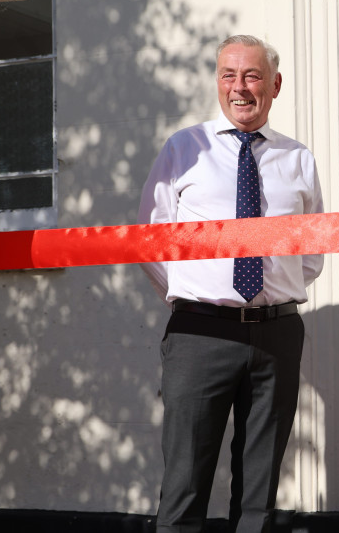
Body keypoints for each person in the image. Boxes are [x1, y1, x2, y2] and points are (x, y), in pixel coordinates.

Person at [138, 35, 324, 533]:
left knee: (260, 492)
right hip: (200, 334)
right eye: (229, 75)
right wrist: (195, 296)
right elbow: (151, 242)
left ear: (275, 85)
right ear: (217, 82)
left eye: (252, 76)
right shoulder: (184, 148)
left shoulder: (299, 159)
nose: (240, 88)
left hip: (277, 336)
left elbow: (311, 254)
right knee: (185, 484)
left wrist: (272, 297)